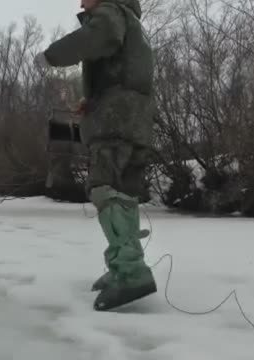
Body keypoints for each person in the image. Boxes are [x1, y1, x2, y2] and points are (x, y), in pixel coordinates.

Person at [34, 0, 157, 311]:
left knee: (104, 187)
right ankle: (125, 265)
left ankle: (130, 272)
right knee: (122, 191)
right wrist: (91, 100)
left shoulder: (109, 14)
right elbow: (124, 71)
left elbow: (97, 38)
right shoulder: (130, 20)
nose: (80, 2)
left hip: (116, 122)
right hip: (134, 120)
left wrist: (51, 56)